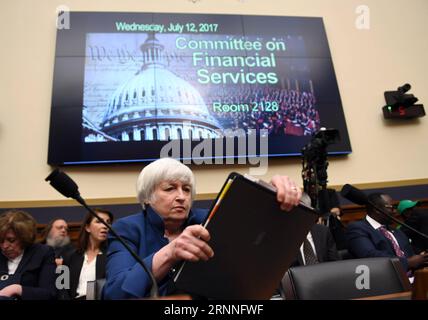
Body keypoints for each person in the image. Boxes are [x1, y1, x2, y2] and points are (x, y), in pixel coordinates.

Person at [103, 157, 302, 299]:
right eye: (170, 188)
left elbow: (254, 231)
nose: (182, 196)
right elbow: (114, 293)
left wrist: (272, 196)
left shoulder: (207, 219)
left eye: (187, 189)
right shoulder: (126, 229)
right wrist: (170, 252)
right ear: (146, 197)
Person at [346, 193, 428, 273]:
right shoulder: (357, 228)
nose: (395, 212)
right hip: (383, 281)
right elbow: (370, 255)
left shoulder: (395, 231)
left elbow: (409, 254)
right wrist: (407, 263)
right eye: (391, 208)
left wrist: (422, 257)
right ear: (377, 209)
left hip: (414, 278)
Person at [0, 210, 57, 300]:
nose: (4, 246)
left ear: (24, 238)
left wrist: (16, 289)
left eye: (11, 240)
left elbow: (49, 294)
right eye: (1, 241)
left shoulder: (42, 253)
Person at [62, 209, 113, 300]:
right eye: (99, 221)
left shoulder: (112, 256)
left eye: (108, 222)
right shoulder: (69, 255)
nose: (105, 226)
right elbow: (61, 286)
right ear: (87, 228)